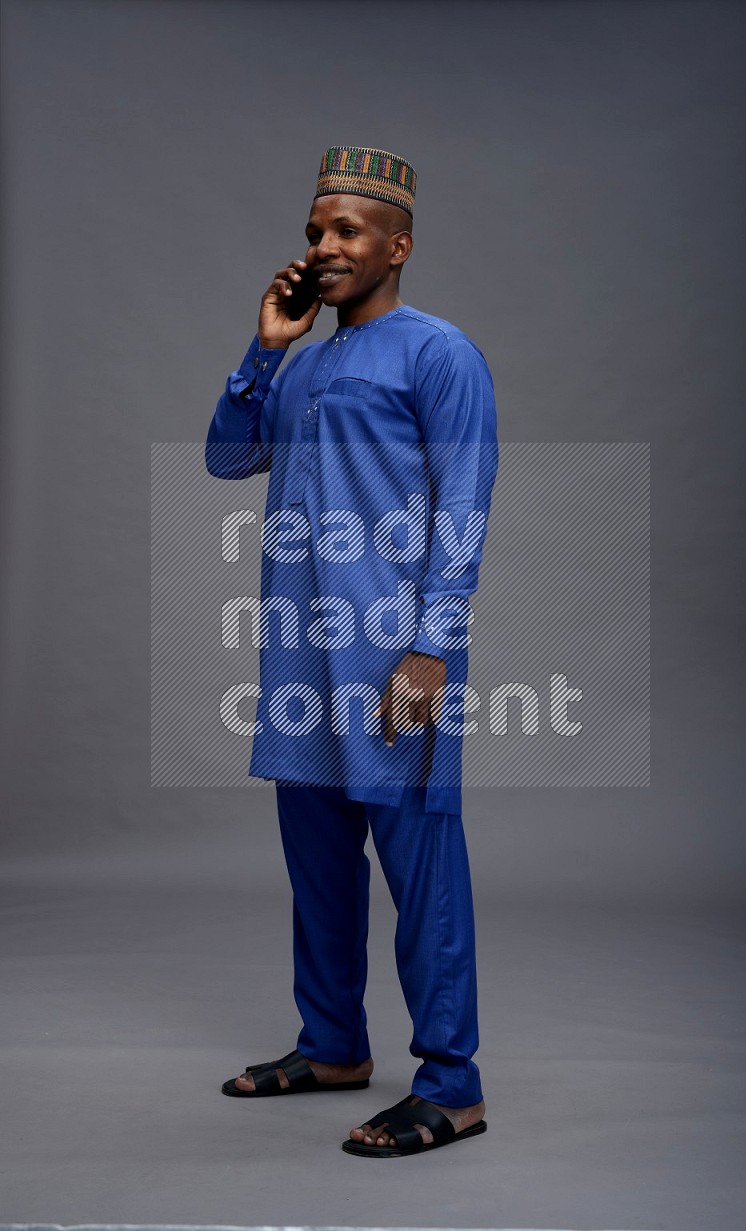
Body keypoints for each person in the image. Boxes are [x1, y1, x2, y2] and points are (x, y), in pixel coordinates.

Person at [205, 146, 499, 1157]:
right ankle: (332, 1044)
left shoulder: (438, 352)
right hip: (297, 650)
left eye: (345, 232)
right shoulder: (301, 360)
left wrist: (432, 649)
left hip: (391, 652)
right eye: (313, 233)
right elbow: (225, 455)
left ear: (397, 245)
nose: (323, 248)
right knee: (318, 860)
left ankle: (451, 1082)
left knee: (420, 864)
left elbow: (463, 506)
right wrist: (263, 351)